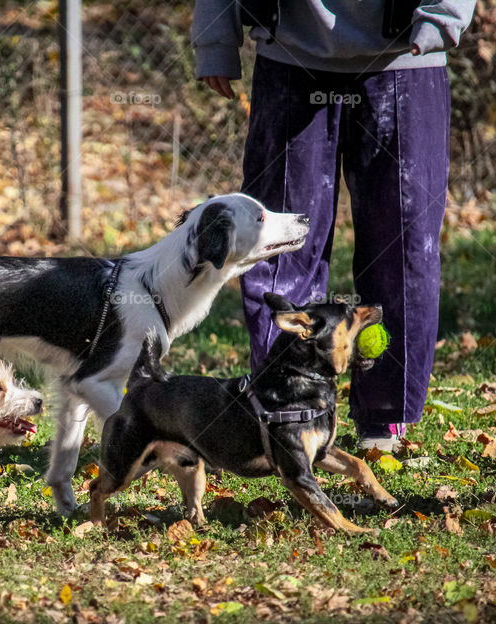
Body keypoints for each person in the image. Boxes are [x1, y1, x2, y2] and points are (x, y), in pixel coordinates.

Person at [192, 0, 476, 452]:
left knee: (403, 251)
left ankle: (386, 421)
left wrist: (443, 17)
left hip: (406, 59)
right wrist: (214, 39)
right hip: (291, 55)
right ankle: (282, 413)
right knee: (279, 248)